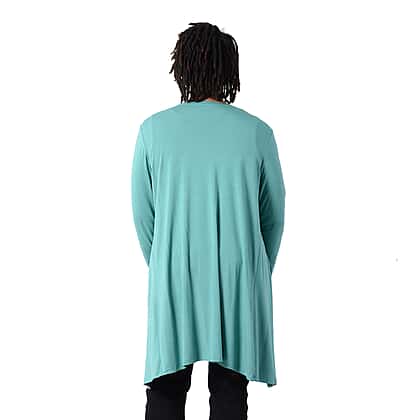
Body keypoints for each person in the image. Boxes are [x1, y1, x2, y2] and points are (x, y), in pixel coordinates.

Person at [131, 22, 286, 420]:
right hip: (237, 276)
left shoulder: (152, 131)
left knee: (165, 389)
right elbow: (273, 216)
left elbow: (144, 217)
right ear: (229, 70)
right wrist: (251, 268)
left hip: (174, 272)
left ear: (181, 68)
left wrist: (166, 262)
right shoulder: (257, 133)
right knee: (230, 391)